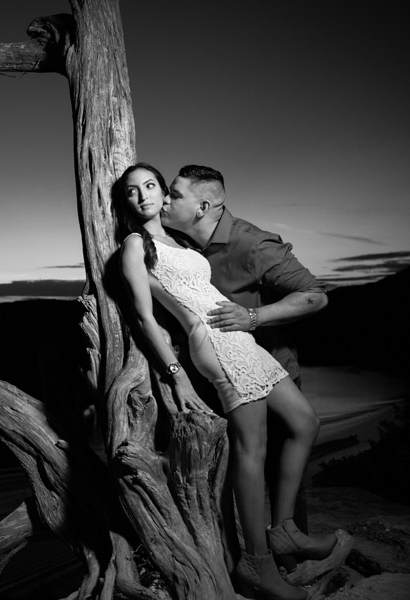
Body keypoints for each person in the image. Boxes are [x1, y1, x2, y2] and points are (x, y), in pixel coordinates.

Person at [112, 163, 336, 600]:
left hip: (241, 337)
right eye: (132, 191)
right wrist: (177, 377)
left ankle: (285, 529)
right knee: (254, 449)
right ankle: (257, 562)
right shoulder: (135, 246)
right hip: (214, 341)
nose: (146, 197)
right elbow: (144, 317)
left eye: (154, 187)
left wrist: (251, 319)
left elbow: (308, 293)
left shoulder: (181, 239)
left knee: (306, 423)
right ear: (126, 202)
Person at [161, 164, 328, 540]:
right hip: (218, 379)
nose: (166, 201)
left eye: (175, 194)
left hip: (272, 373)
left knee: (281, 473)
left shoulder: (252, 243)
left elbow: (315, 296)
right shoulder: (178, 243)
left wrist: (253, 316)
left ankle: (290, 550)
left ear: (203, 206)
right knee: (226, 472)